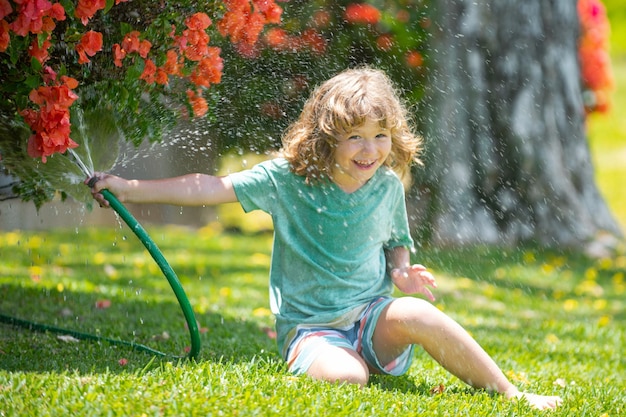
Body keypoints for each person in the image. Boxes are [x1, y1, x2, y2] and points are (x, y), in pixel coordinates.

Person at [88, 68, 562, 410]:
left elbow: (396, 240)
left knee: (419, 313)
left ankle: (510, 393)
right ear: (326, 136)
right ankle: (333, 359)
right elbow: (211, 187)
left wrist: (401, 270)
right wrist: (129, 188)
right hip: (312, 329)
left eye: (380, 135)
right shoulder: (287, 180)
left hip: (371, 318)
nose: (370, 149)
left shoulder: (386, 187)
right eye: (355, 136)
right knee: (347, 379)